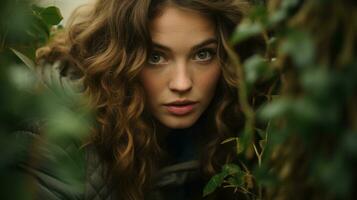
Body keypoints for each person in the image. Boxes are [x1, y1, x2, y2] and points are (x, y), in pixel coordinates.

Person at [27, 0, 256, 199]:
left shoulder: (240, 123)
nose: (182, 83)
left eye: (203, 54)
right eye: (155, 57)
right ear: (118, 58)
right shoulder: (60, 133)